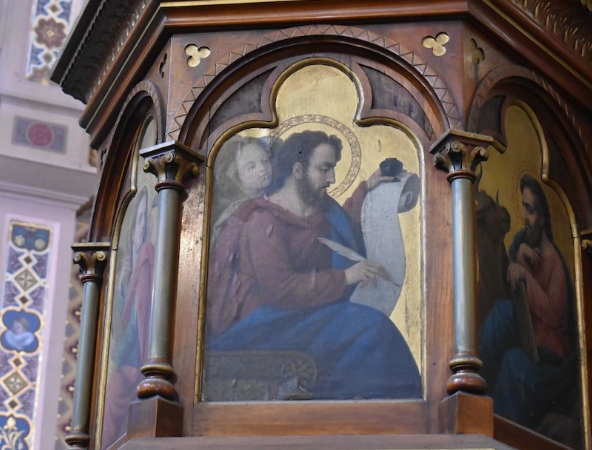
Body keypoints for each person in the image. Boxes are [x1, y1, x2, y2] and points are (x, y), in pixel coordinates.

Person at [206, 130, 421, 400]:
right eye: (324, 169)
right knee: (374, 330)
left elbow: (343, 231)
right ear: (298, 170)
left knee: (369, 335)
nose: (332, 178)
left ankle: (348, 407)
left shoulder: (318, 211)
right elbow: (281, 289)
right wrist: (345, 277)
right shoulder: (262, 221)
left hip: (300, 316)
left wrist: (368, 188)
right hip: (263, 326)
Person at [479, 174, 576, 429]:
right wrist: (519, 252)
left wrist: (525, 276)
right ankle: (476, 382)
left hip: (551, 361)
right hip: (530, 336)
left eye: (530, 210)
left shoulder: (555, 263)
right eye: (523, 207)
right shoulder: (526, 241)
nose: (525, 216)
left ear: (543, 216)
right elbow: (513, 256)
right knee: (500, 313)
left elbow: (554, 314)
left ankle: (496, 429)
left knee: (512, 363)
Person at [102, 190, 156, 449]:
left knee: (113, 403)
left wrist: (120, 356)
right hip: (128, 360)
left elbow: (139, 317)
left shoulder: (146, 254)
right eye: (139, 219)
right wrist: (123, 282)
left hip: (137, 360)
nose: (143, 225)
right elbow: (121, 318)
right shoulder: (129, 262)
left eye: (146, 219)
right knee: (109, 410)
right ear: (132, 226)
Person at [210, 136, 273, 241]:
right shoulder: (238, 214)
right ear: (235, 176)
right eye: (251, 166)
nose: (263, 168)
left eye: (265, 160)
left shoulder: (272, 198)